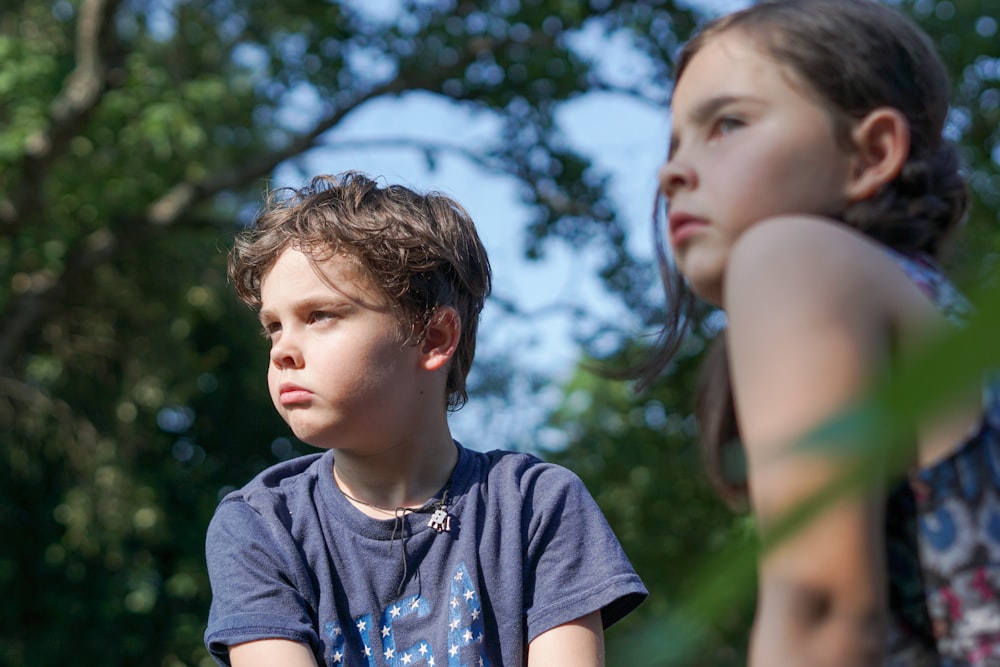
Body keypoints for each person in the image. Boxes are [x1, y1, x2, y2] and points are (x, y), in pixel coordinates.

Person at [641, 0, 1000, 664]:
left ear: (871, 153)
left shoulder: (790, 256)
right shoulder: (938, 312)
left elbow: (822, 610)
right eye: (673, 145)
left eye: (728, 123)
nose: (671, 173)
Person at [204, 172, 647, 667]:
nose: (283, 349)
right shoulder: (260, 526)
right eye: (273, 327)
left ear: (435, 338)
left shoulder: (536, 507)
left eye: (321, 315)